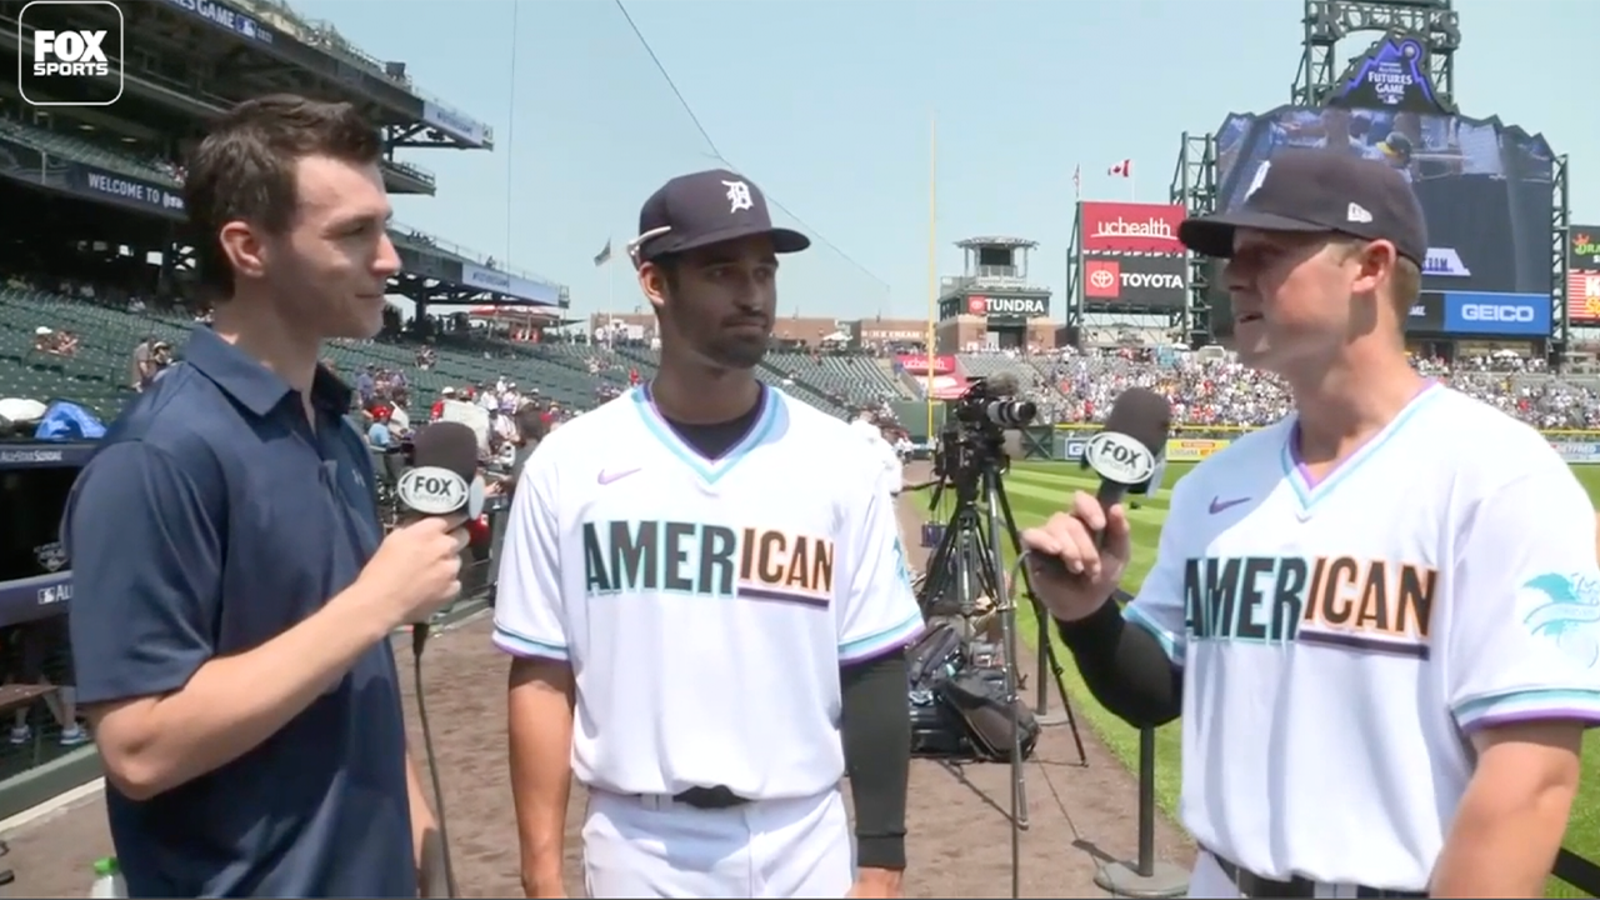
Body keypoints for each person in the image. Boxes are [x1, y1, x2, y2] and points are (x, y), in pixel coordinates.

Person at [1020, 149, 1597, 898]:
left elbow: (1531, 778)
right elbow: (1157, 692)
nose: (1233, 274)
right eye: (1234, 255)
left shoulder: (1499, 476)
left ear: (1370, 267)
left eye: (1270, 251)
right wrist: (1089, 616)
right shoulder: (1214, 487)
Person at [61, 94, 467, 899]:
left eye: (384, 227)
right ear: (248, 248)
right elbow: (139, 749)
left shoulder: (338, 431)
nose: (388, 259)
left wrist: (420, 835)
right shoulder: (159, 455)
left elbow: (352, 673)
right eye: (353, 233)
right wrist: (374, 604)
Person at [495, 169, 922, 899]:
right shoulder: (569, 464)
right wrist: (541, 873)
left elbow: (875, 665)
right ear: (655, 283)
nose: (752, 294)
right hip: (640, 841)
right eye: (722, 271)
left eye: (764, 271)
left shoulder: (838, 459)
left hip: (804, 835)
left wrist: (880, 861)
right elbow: (541, 673)